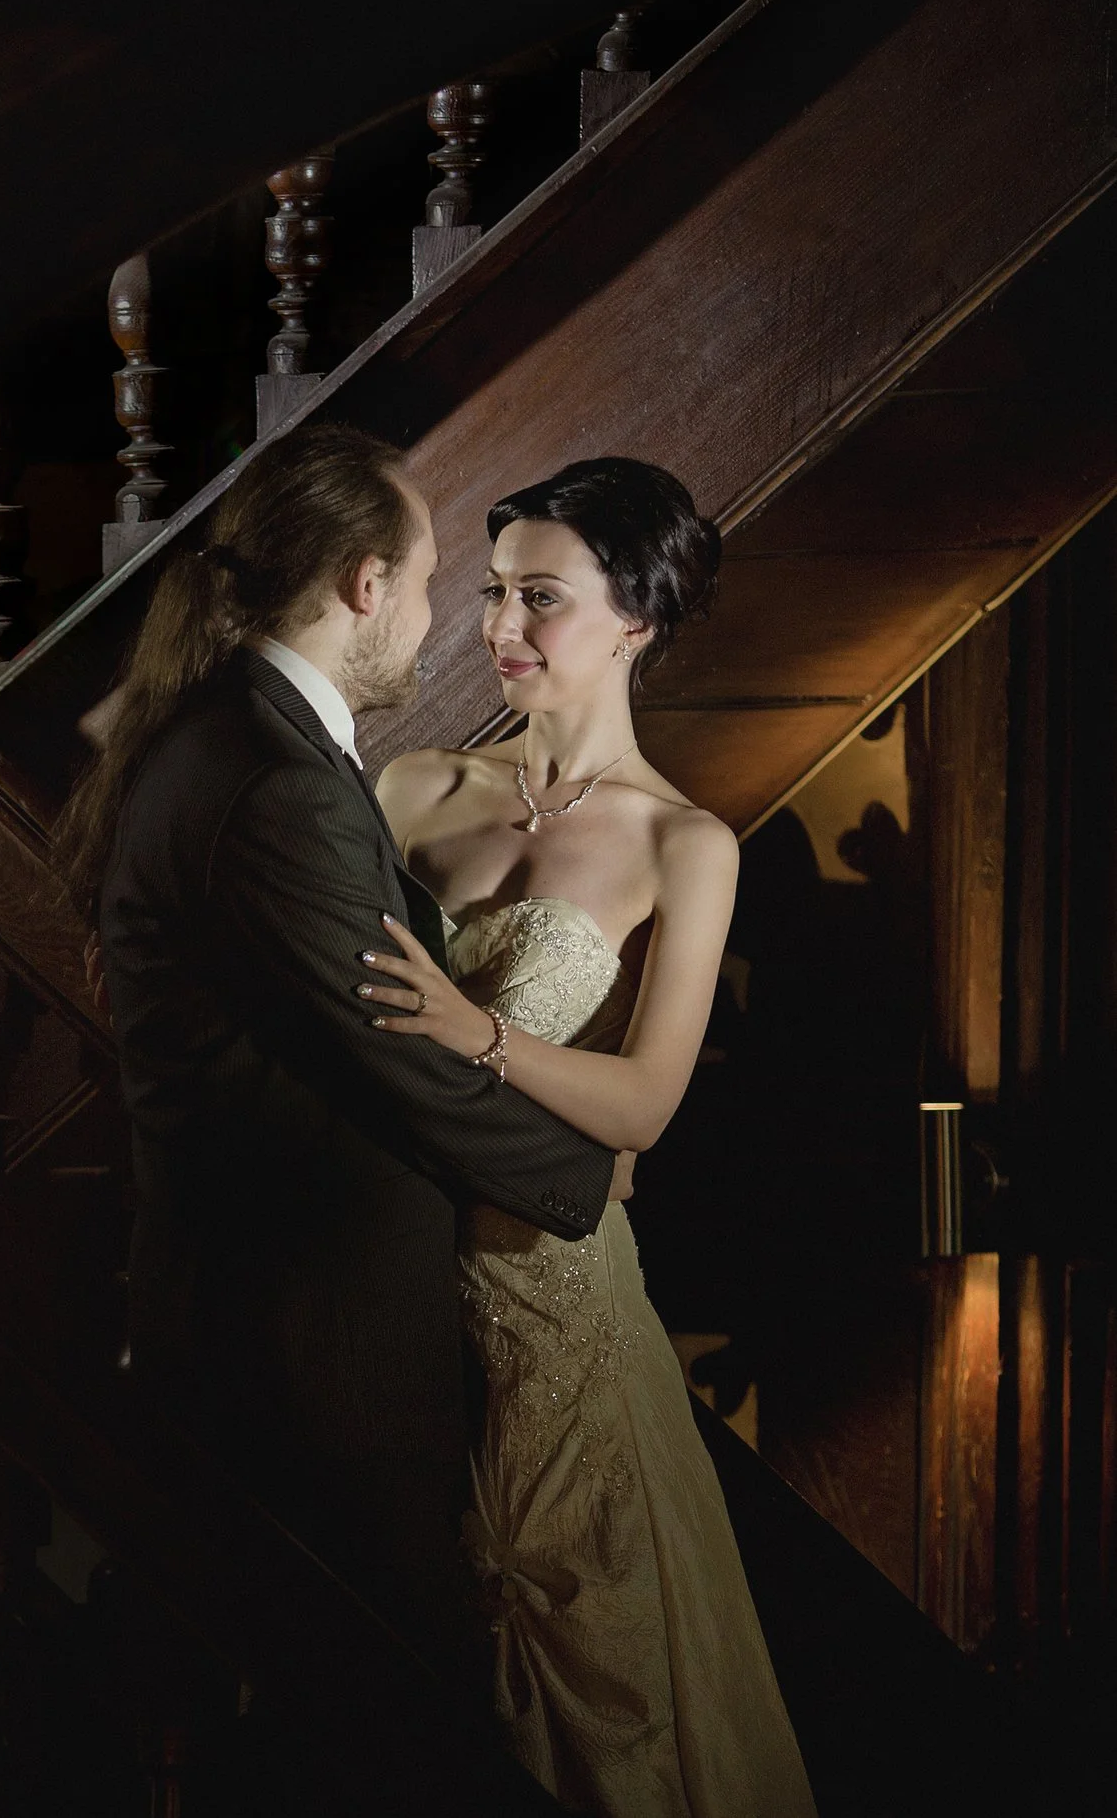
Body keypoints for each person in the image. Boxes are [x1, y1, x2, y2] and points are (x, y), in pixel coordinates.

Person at [60, 423, 619, 1674]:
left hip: (279, 1318)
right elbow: (392, 1048)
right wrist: (585, 1175)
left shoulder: (239, 737)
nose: (433, 619)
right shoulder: (270, 773)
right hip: (308, 1346)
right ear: (363, 585)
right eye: (424, 584)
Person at [360, 457, 815, 1815]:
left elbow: (644, 1107)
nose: (499, 624)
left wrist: (469, 1027)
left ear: (636, 616)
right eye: (493, 592)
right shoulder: (409, 789)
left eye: (539, 596)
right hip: (393, 1291)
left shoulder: (687, 844)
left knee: (604, 1704)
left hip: (561, 1319)